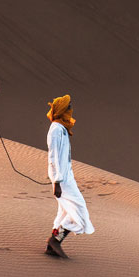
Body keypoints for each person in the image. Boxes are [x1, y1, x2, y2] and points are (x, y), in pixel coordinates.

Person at [44, 94, 93, 258]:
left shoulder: (62, 128)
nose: (71, 109)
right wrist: (57, 181)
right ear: (63, 110)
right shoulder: (56, 130)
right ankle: (55, 240)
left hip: (66, 176)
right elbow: (54, 156)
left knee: (65, 211)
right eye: (69, 106)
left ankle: (52, 246)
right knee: (79, 210)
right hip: (61, 179)